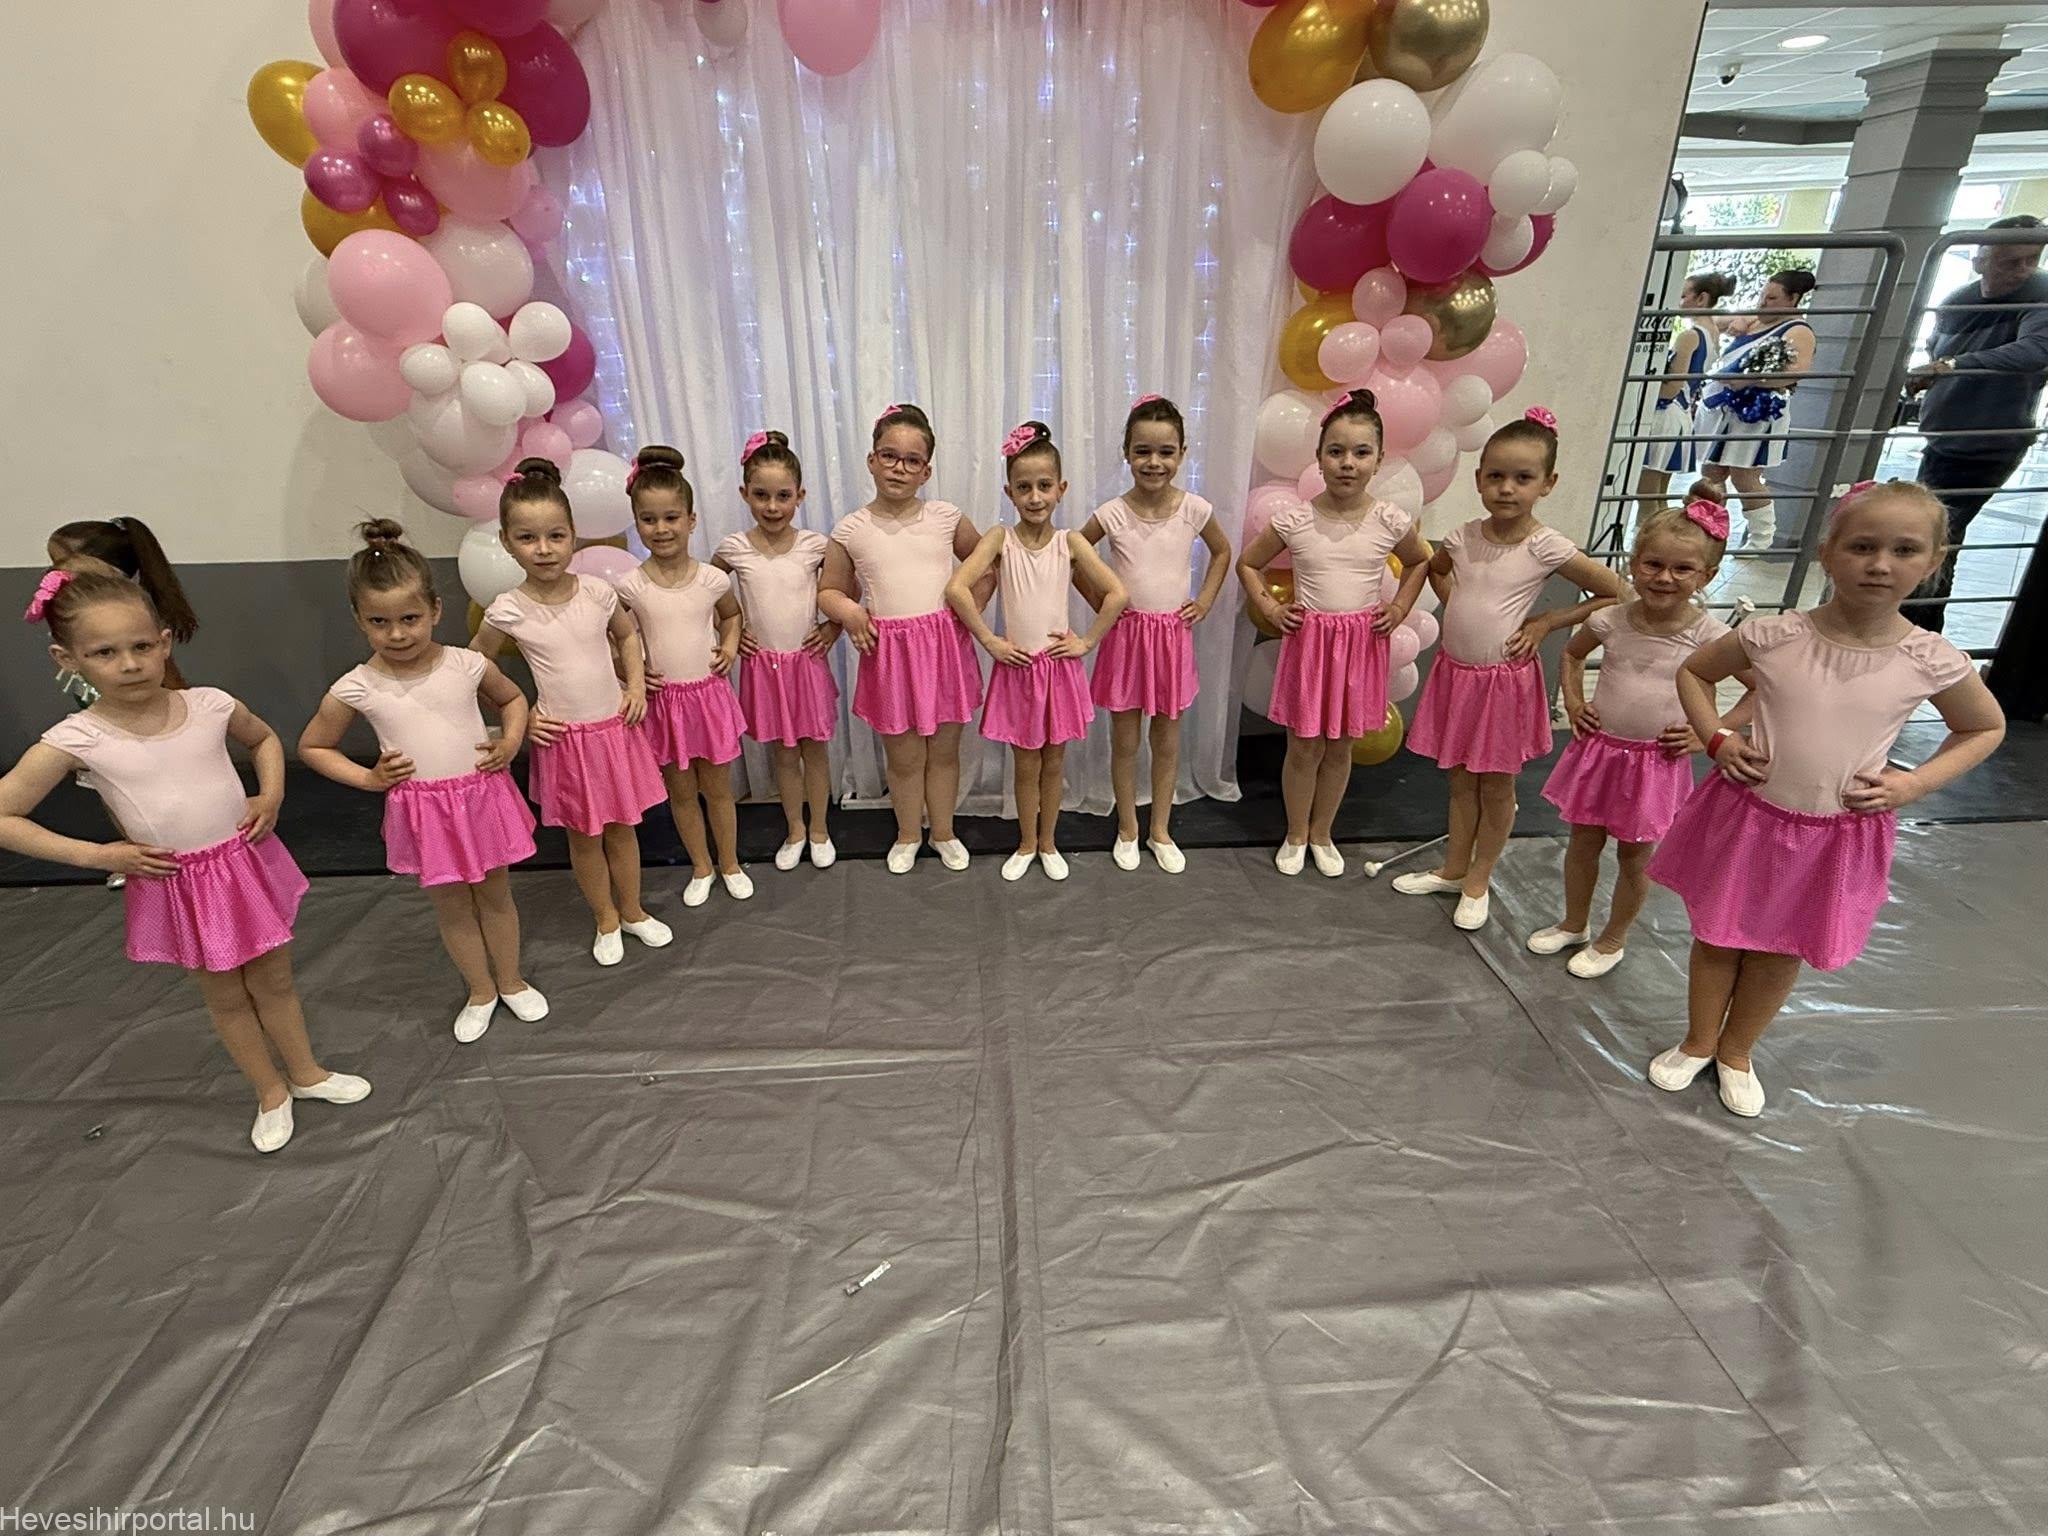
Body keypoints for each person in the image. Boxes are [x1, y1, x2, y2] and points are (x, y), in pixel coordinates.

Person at [1647, 481, 2005, 1117]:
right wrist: (1718, 737)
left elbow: (1983, 726)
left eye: (1903, 550)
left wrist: (1914, 782)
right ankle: (1699, 1040)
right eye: (1862, 547)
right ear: (1827, 553)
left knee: (1781, 946)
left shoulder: (1929, 658)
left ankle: (1737, 1051)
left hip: (1833, 832)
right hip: (1750, 815)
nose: (1880, 564)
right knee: (1719, 935)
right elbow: (1695, 671)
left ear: (1933, 561)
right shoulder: (1775, 635)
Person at [0, 569, 370, 1153]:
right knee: (226, 995)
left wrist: (270, 796)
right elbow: (5, 814)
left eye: (142, 646)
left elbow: (264, 739)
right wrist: (97, 854)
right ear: (66, 659)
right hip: (182, 883)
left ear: (165, 641)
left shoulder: (210, 705)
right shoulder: (76, 739)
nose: (129, 665)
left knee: (274, 979)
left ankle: (306, 1073)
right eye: (104, 653)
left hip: (242, 865)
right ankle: (270, 1091)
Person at [299, 521, 545, 1043]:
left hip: (480, 797)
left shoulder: (467, 664)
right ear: (359, 620)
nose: (398, 634)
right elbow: (314, 746)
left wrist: (509, 742)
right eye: (380, 622)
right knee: (453, 906)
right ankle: (480, 990)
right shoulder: (357, 686)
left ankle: (511, 980)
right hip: (425, 812)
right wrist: (370, 778)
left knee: (496, 896)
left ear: (434, 610)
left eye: (409, 618)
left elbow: (512, 699)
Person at [1394, 408, 1625, 929]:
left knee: (1497, 785)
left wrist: (1547, 622)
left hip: (1502, 682)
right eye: (1496, 476)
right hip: (1457, 674)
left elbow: (1615, 591)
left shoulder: (1545, 545)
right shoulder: (1462, 537)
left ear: (1547, 484)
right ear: (1479, 479)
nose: (1506, 488)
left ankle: (1479, 877)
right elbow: (1437, 570)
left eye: (1523, 478)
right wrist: (1455, 606)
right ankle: (1455, 867)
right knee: (1460, 779)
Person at [1529, 500, 1742, 978]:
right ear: (1633, 563)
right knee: (1582, 842)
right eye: (1653, 564)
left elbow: (1759, 689)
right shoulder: (1610, 620)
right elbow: (1571, 655)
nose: (1664, 578)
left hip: (1655, 762)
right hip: (1600, 751)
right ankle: (1574, 922)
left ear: (1706, 576)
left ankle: (1613, 937)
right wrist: (1574, 703)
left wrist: (1710, 734)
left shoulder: (1710, 635)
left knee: (1634, 854)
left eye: (1682, 569)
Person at [473, 459, 671, 965]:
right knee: (585, 838)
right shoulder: (507, 608)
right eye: (528, 538)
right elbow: (474, 669)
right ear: (507, 541)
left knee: (624, 829)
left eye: (555, 536)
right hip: (566, 741)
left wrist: (635, 687)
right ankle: (605, 918)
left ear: (573, 535)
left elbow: (627, 637)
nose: (543, 549)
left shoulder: (598, 593)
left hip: (614, 731)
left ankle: (633, 911)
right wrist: (520, 717)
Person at [1237, 388, 1430, 877]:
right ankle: (1296, 833)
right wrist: (1270, 607)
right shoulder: (1296, 520)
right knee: (1303, 745)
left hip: (1360, 646)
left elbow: (1419, 562)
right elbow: (1248, 564)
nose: (1348, 463)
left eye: (1361, 453)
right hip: (1310, 646)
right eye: (1336, 451)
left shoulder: (1389, 520)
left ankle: (1323, 833)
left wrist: (1400, 607)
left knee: (1341, 746)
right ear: (1319, 458)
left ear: (1379, 460)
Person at [948, 421, 1126, 882]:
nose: (1034, 497)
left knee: (1054, 762)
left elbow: (1117, 594)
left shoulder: (1071, 542)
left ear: (1061, 489)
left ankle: (1048, 842)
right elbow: (957, 588)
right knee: (1025, 764)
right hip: (1019, 669)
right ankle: (1026, 842)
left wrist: (1087, 641)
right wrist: (990, 640)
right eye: (1024, 487)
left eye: (1044, 486)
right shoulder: (999, 539)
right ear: (1009, 492)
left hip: (1058, 672)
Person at [819, 403, 993, 875]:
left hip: (944, 650)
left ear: (926, 471)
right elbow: (828, 590)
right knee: (904, 755)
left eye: (912, 460)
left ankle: (944, 832)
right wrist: (850, 612)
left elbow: (986, 565)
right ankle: (908, 833)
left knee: (944, 751)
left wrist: (967, 612)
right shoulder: (851, 529)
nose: (899, 467)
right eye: (889, 456)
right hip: (890, 655)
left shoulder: (945, 517)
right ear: (872, 460)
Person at [1077, 394, 1232, 873]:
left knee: (1166, 741)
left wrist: (1205, 600)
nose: (1154, 462)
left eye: (1166, 452)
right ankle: (1127, 826)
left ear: (1182, 454)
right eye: (1142, 451)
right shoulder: (1112, 513)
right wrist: (1105, 604)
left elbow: (1222, 552)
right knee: (1125, 741)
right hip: (1126, 640)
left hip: (1171, 640)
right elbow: (1074, 554)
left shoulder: (1194, 509)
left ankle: (1160, 828)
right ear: (1127, 453)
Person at [618, 445, 753, 908]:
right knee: (681, 791)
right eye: (649, 519)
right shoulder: (631, 586)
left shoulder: (712, 579)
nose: (661, 529)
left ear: (691, 520)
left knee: (718, 789)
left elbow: (732, 616)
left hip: (708, 697)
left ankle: (729, 862)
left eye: (671, 517)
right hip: (665, 704)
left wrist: (729, 647)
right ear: (637, 523)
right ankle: (701, 866)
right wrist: (633, 674)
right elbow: (615, 640)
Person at [1905, 214, 2048, 634]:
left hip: (1987, 443)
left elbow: (2035, 351)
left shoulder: (2040, 296)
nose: (2023, 270)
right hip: (1945, 436)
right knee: (1939, 537)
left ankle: (1916, 631)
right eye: (2010, 261)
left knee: (1934, 536)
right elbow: (1936, 351)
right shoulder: (1959, 301)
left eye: (2032, 259)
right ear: (1980, 259)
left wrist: (1952, 365)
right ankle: (1920, 631)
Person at [713, 430, 840, 870]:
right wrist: (730, 633)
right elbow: (701, 593)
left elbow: (848, 587)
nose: (772, 507)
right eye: (761, 495)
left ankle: (820, 828)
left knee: (814, 750)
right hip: (764, 667)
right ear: (744, 494)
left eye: (783, 496)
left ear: (800, 496)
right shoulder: (734, 548)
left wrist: (833, 628)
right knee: (783, 754)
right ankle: (795, 830)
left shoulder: (815, 545)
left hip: (807, 663)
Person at [1696, 268, 1817, 550]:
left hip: (1758, 411)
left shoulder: (1798, 330)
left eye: (1772, 298)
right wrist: (1740, 318)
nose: (1764, 302)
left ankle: (1761, 538)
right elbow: (1717, 321)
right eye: (1763, 295)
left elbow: (1795, 373)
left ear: (1793, 299)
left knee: (1744, 475)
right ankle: (1707, 529)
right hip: (1725, 407)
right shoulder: (1755, 318)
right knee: (1711, 470)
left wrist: (1750, 379)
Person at [46, 517, 200, 694]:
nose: (54, 572)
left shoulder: (138, 617)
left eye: (60, 562)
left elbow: (173, 686)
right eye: (105, 652)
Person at [1636, 271, 1732, 515]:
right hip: (1681, 414)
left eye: (1683, 296)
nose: (1679, 302)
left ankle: (1648, 535)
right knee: (1658, 494)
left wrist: (1641, 387)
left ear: (1701, 299)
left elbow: (1672, 387)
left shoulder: (1690, 335)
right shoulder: (1712, 333)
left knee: (1646, 493)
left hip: (1667, 414)